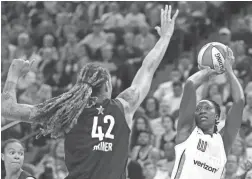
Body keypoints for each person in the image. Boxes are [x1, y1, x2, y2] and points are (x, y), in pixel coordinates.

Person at [1, 5, 179, 179]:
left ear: (80, 87)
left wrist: (13, 75)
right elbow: (147, 68)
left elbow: (7, 109)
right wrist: (165, 37)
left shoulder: (66, 112)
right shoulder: (124, 106)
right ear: (108, 86)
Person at [170, 47, 245, 179]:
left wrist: (229, 71)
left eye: (207, 108)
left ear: (217, 117)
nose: (202, 111)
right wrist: (207, 71)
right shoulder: (186, 132)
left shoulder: (222, 141)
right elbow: (190, 85)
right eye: (198, 109)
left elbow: (239, 102)